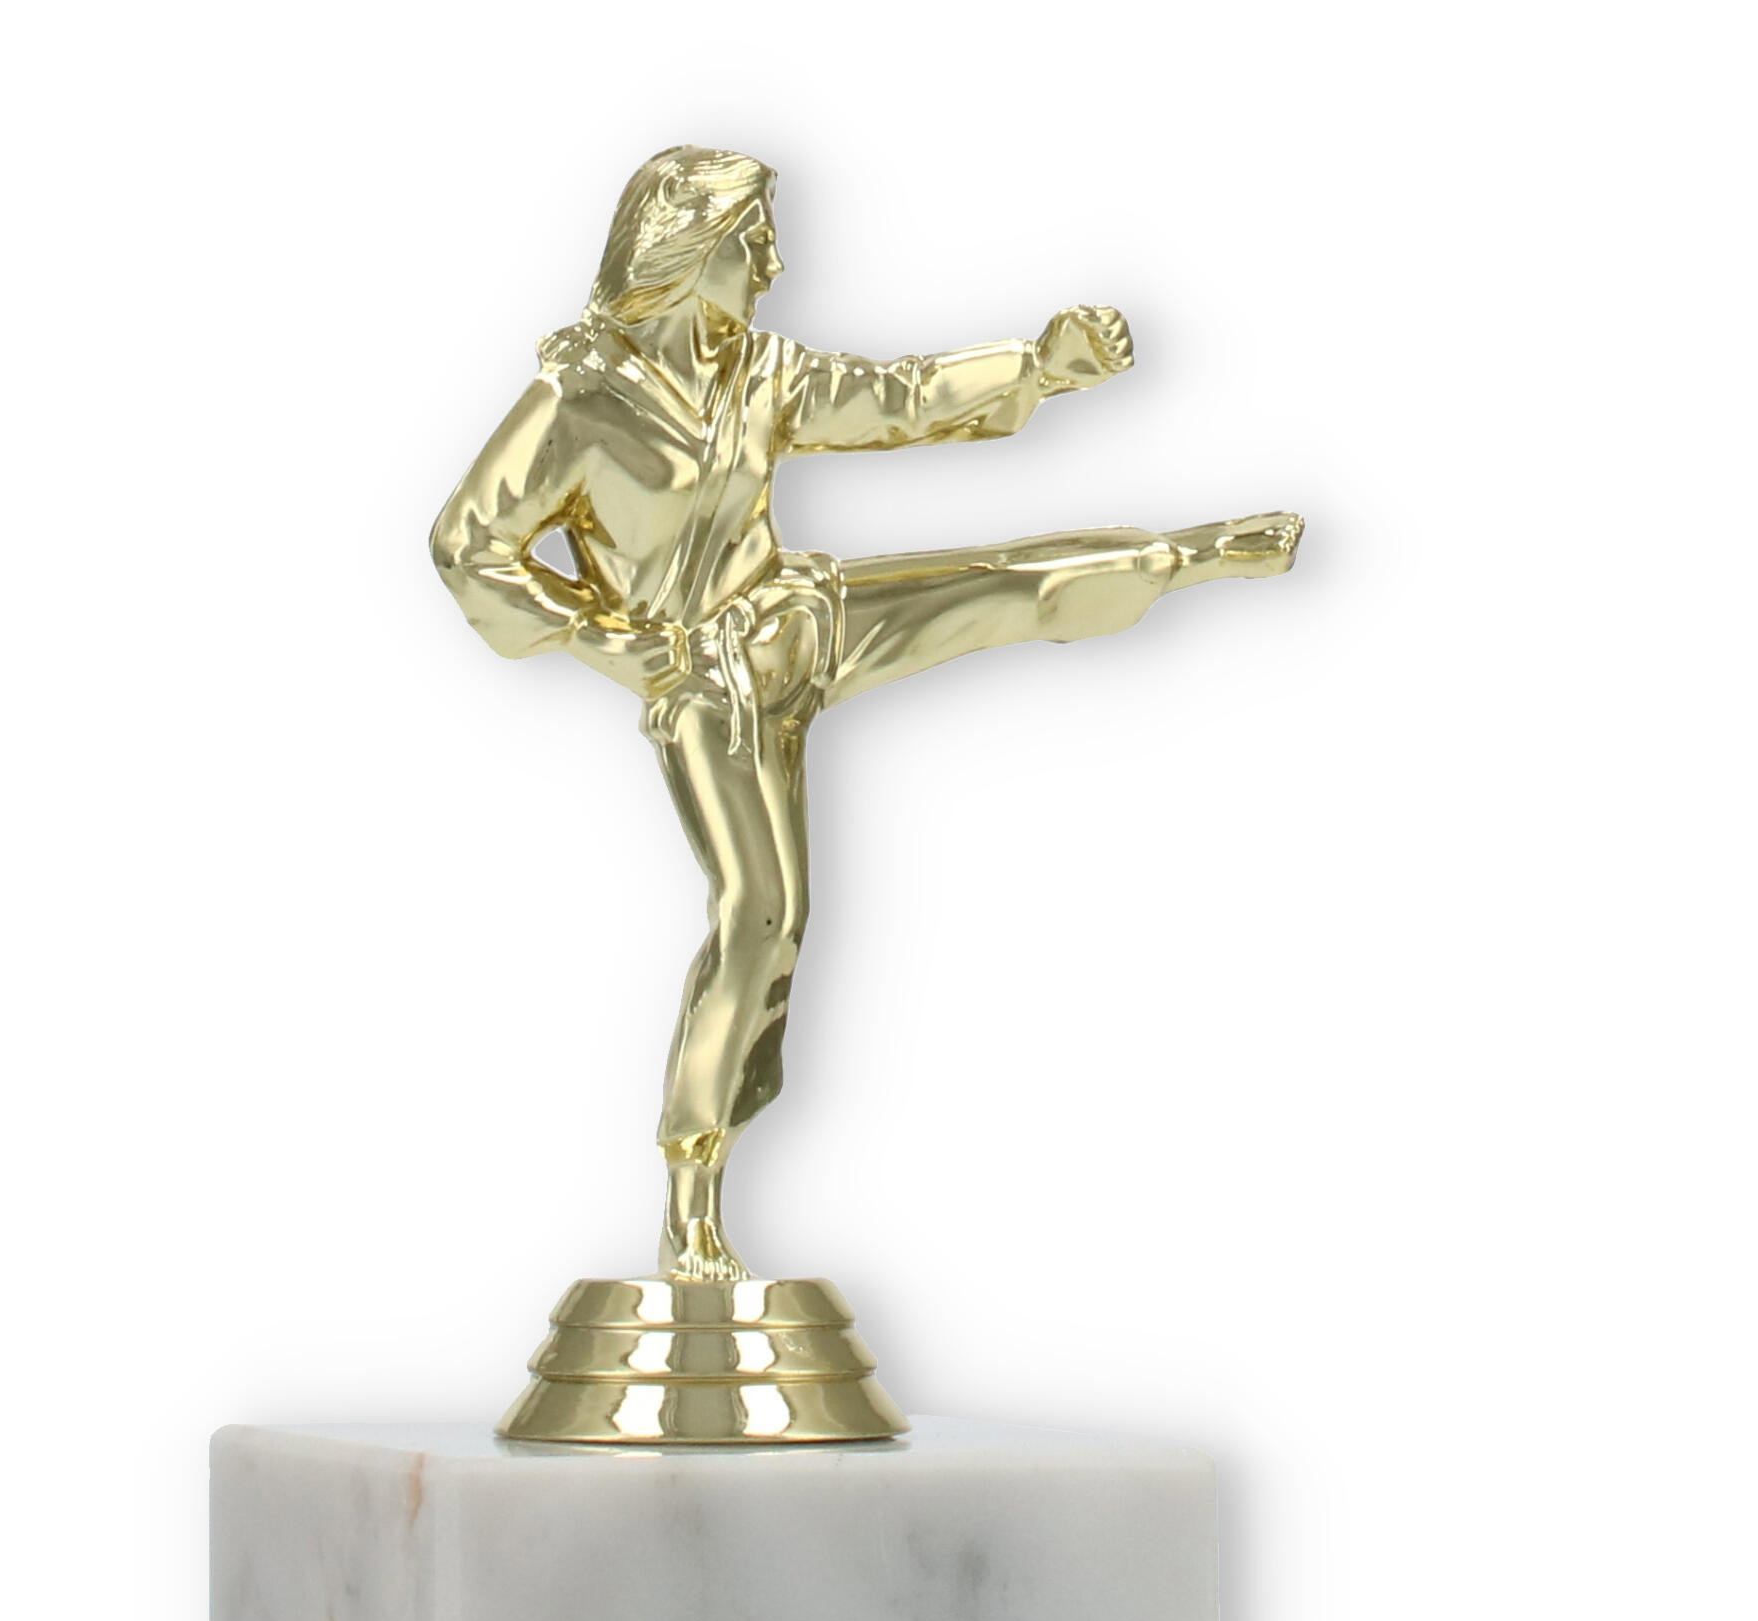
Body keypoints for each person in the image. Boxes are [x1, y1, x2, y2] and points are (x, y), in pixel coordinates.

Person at [433, 145, 1301, 1281]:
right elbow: (468, 545)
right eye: (754, 244)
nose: (774, 265)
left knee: (999, 586)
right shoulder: (580, 399)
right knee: (762, 915)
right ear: (689, 254)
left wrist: (1040, 367)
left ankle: (1184, 556)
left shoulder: (758, 372)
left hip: (797, 620)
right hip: (708, 688)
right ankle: (692, 1188)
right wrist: (609, 640)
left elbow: (896, 400)